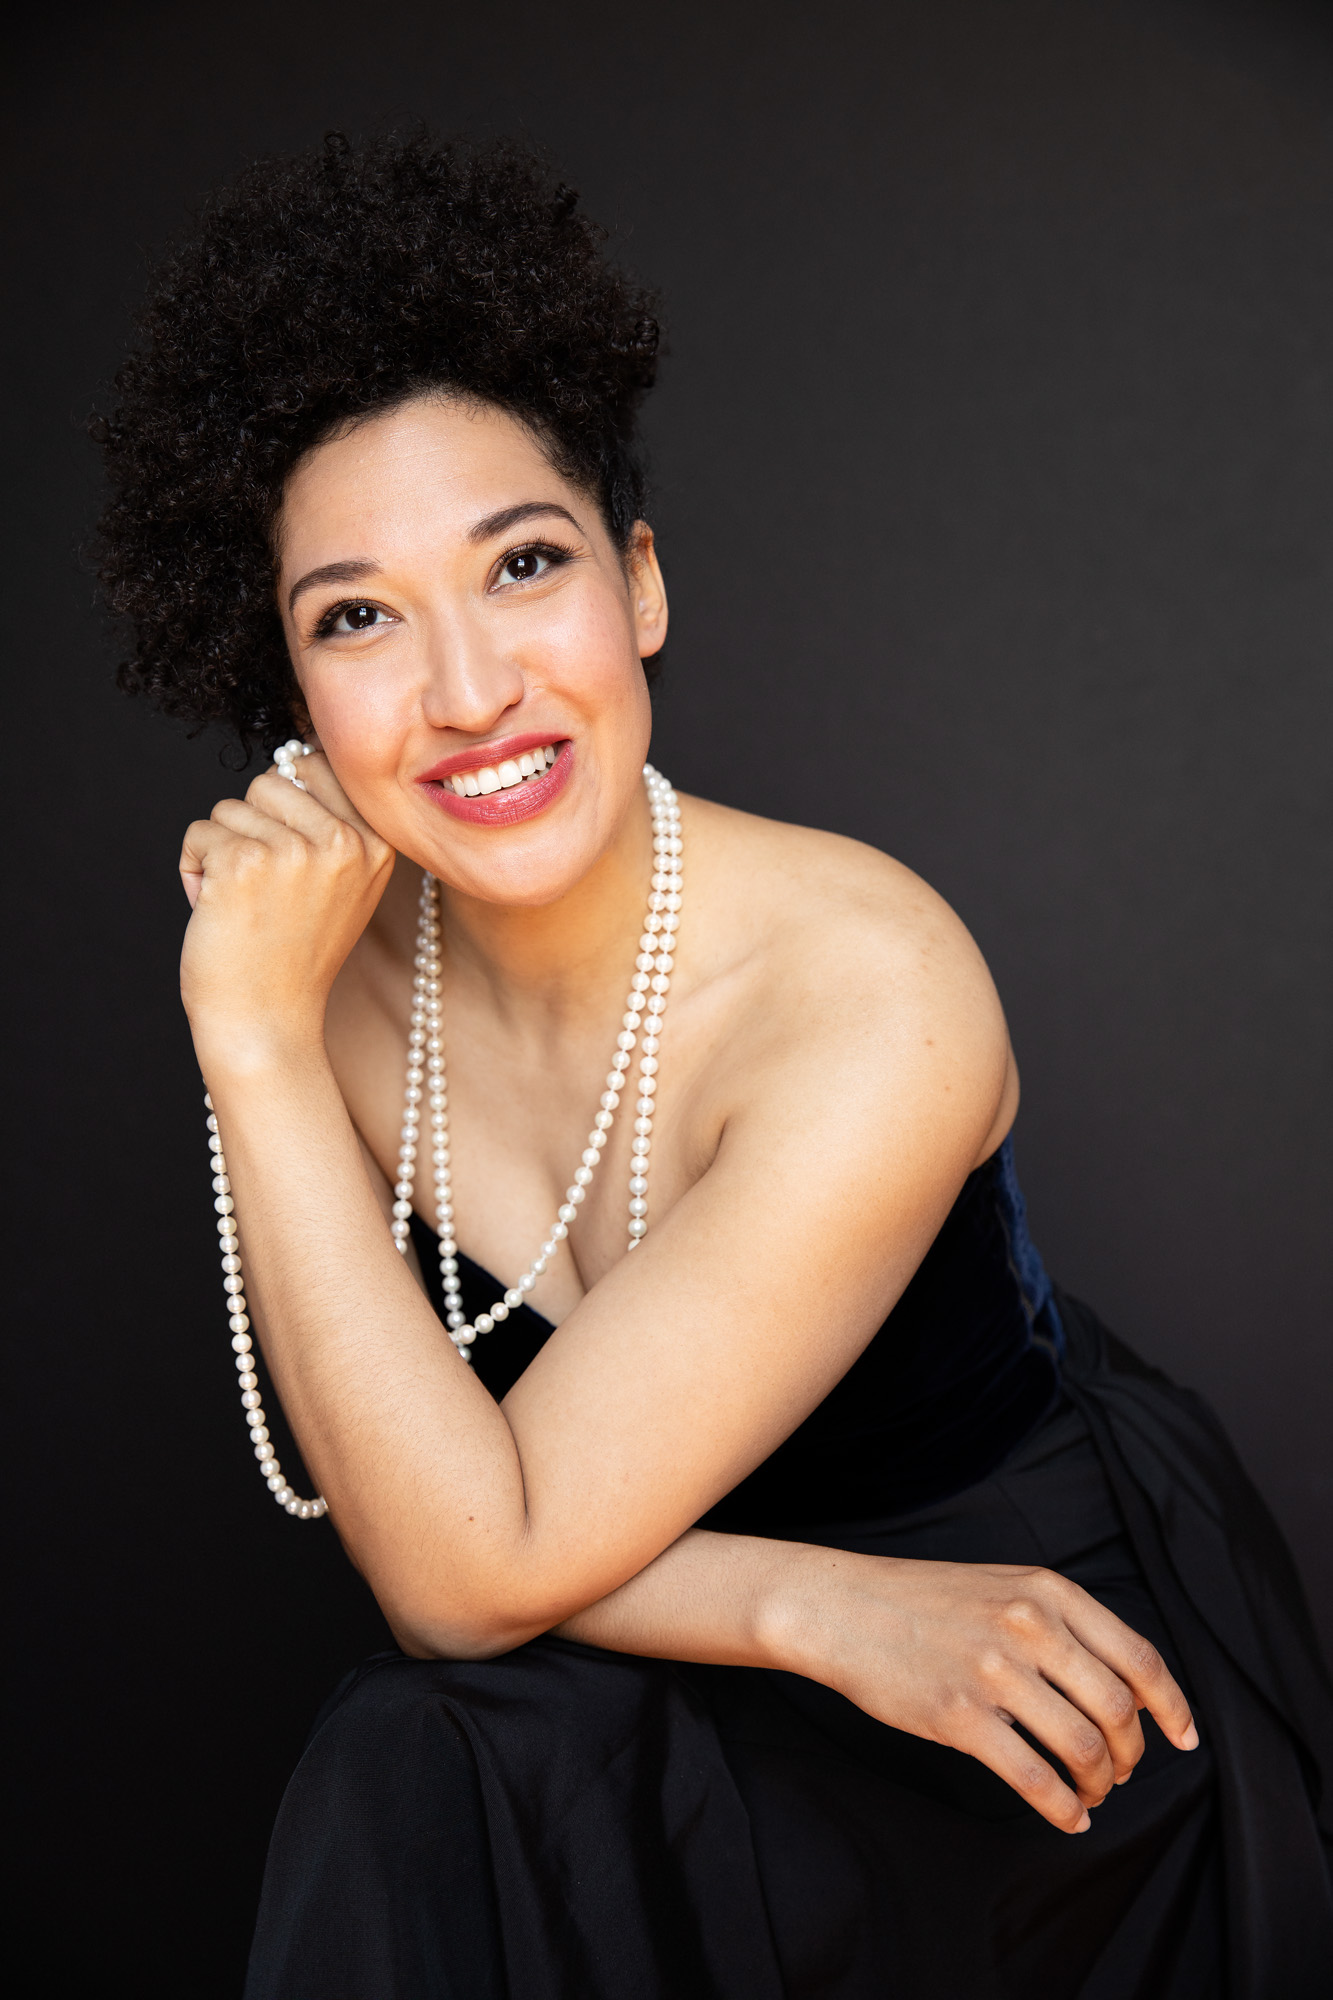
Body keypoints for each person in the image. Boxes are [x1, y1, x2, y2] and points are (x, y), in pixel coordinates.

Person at [95, 132, 1333, 1999]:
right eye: (357, 616)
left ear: (641, 584)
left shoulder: (868, 987)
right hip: (718, 1661)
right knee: (405, 1766)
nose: (465, 690)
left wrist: (257, 1035)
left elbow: (459, 1562)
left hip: (1004, 1678)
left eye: (523, 566)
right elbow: (435, 1538)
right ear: (291, 701)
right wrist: (253, 1031)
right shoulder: (313, 988)